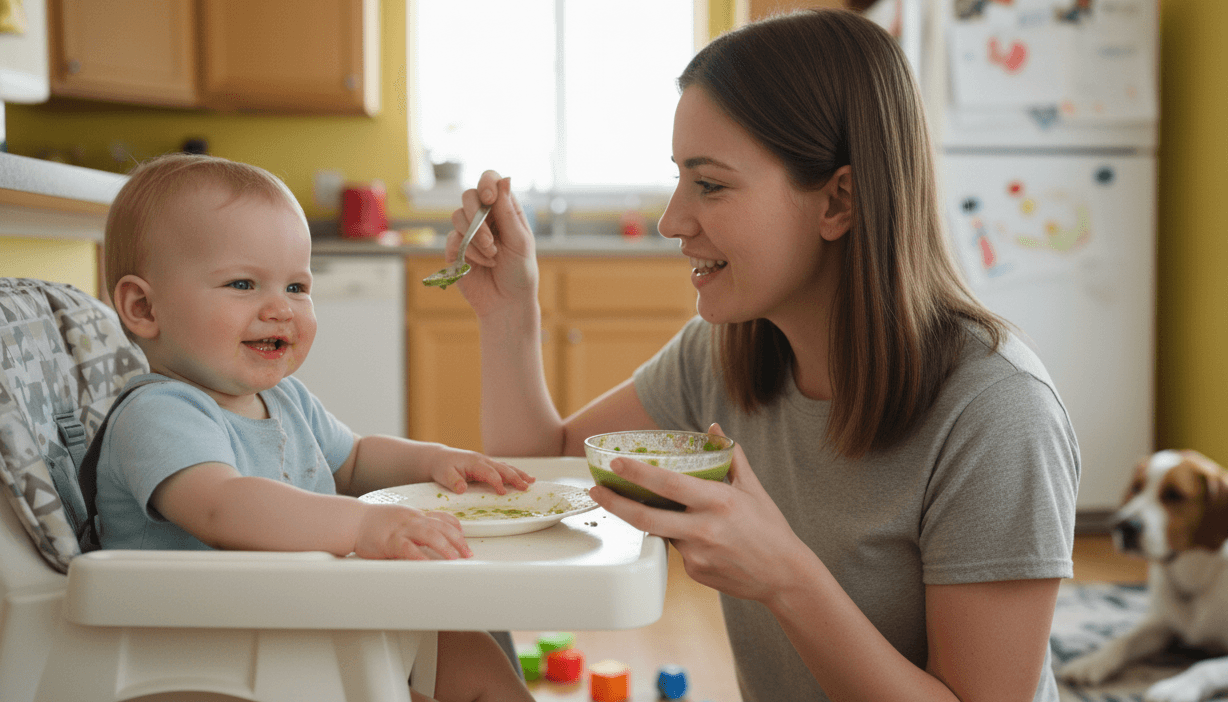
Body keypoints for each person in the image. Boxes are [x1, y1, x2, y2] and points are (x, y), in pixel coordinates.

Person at [447, 9, 1078, 702]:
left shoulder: (997, 411)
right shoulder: (723, 355)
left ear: (838, 200)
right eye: (680, 179)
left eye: (710, 184)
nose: (671, 221)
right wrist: (510, 311)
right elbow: (546, 464)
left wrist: (784, 576)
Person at [98, 153, 535, 702]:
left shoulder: (283, 399)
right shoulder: (158, 414)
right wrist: (361, 525)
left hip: (298, 626)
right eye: (242, 284)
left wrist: (431, 460)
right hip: (202, 662)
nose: (281, 309)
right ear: (143, 306)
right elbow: (222, 506)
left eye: (297, 287)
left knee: (467, 646)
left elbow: (352, 458)